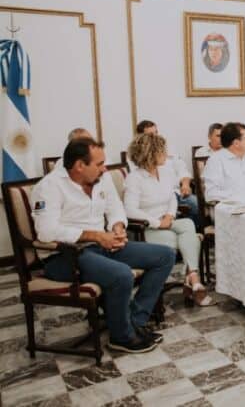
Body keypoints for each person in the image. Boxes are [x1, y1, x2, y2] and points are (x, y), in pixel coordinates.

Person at [31, 138, 175, 354]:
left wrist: (117, 227)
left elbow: (115, 208)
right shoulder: (49, 186)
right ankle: (121, 337)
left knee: (165, 256)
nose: (105, 168)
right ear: (80, 165)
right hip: (65, 256)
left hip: (102, 246)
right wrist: (96, 236)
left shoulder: (102, 178)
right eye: (99, 164)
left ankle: (134, 320)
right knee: (121, 274)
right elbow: (46, 231)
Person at [124, 133, 213, 307]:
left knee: (188, 223)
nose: (167, 154)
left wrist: (170, 215)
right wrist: (157, 223)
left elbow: (173, 196)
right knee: (192, 239)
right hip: (146, 230)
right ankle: (193, 279)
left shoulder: (164, 172)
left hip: (169, 222)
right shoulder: (134, 179)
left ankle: (192, 277)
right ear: (151, 153)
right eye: (163, 150)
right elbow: (129, 210)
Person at [135, 120, 200, 230]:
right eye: (151, 135)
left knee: (197, 202)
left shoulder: (169, 149)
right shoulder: (138, 156)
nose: (155, 137)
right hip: (158, 196)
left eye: (156, 133)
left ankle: (197, 232)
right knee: (193, 204)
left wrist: (185, 184)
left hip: (178, 191)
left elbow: (182, 170)